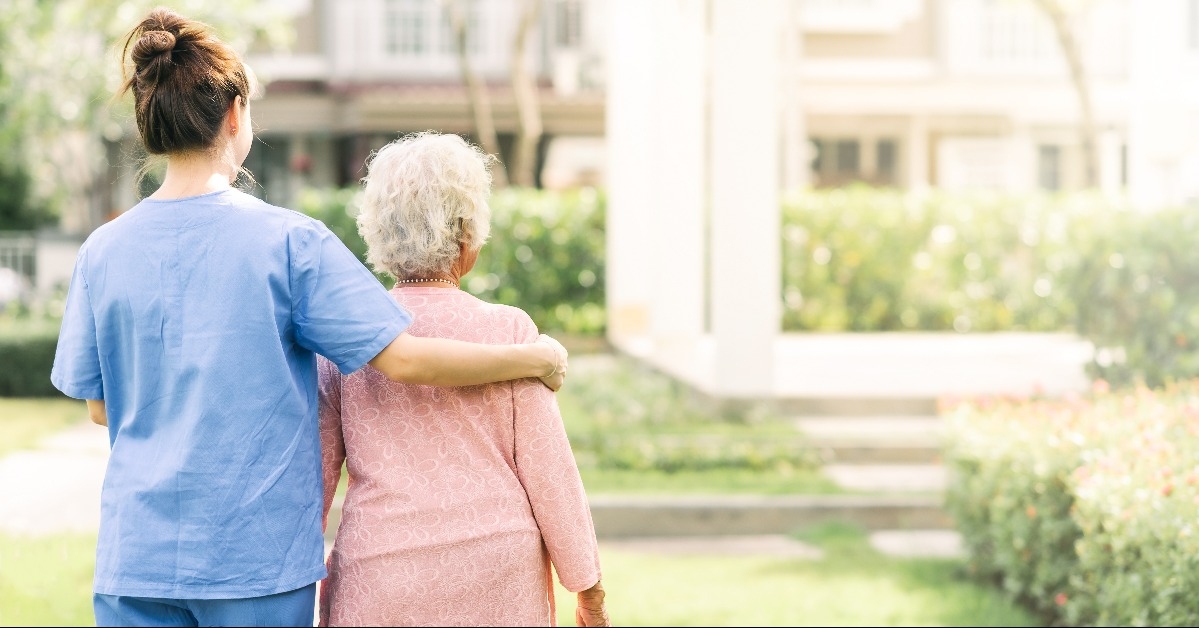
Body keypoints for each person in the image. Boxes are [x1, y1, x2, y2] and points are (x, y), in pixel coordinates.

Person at [49, 9, 567, 627]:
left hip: (135, 561)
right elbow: (403, 357)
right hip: (255, 566)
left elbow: (101, 408)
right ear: (235, 114)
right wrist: (533, 356)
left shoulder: (101, 251)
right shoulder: (290, 243)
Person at [316, 132, 610, 627]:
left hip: (382, 574)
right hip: (497, 572)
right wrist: (589, 590)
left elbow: (315, 479)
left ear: (378, 233)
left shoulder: (349, 340)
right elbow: (551, 473)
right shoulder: (510, 333)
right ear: (467, 234)